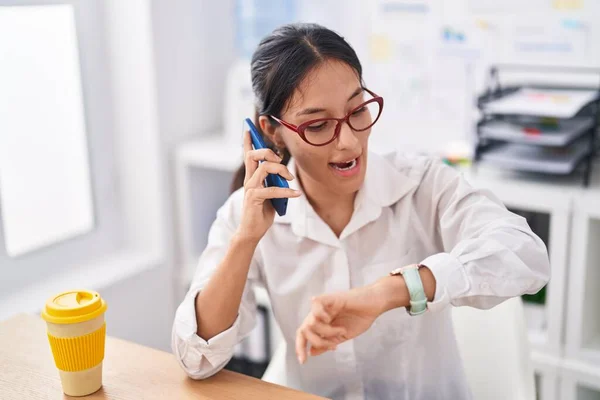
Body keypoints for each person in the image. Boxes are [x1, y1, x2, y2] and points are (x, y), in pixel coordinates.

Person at [172, 23, 550, 400]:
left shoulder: (421, 185)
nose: (350, 141)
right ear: (271, 132)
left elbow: (525, 255)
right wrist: (246, 239)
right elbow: (197, 359)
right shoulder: (249, 214)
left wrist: (391, 291)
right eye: (318, 126)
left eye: (357, 110)